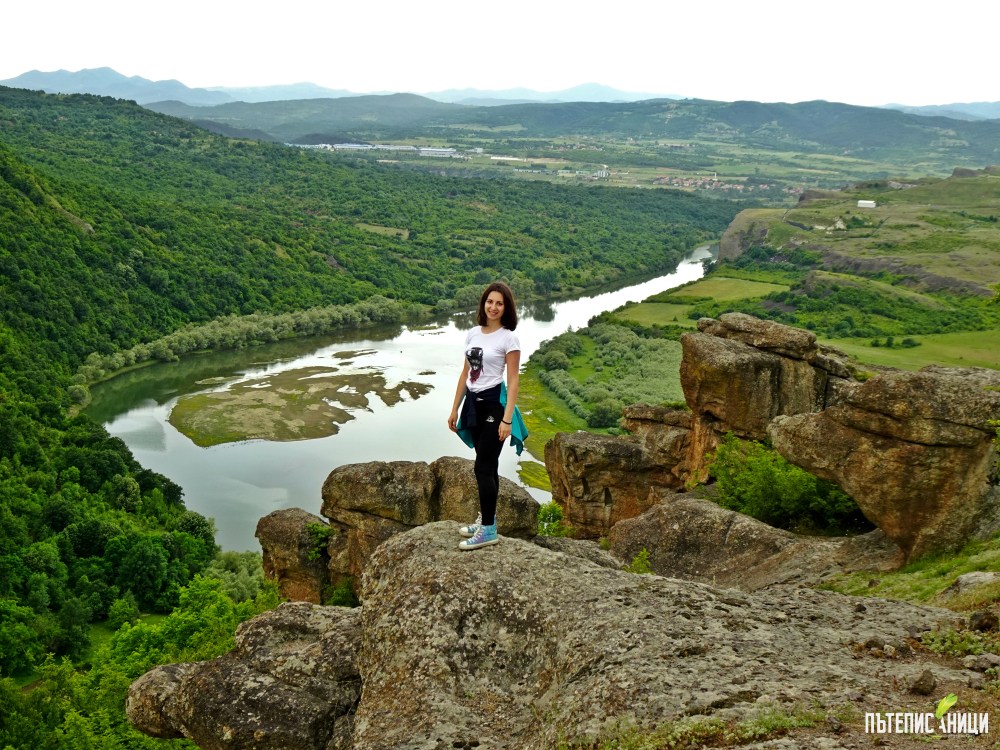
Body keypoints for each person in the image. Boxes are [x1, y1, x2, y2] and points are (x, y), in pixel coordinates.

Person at [448, 282, 523, 550]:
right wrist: (454, 408)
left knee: (482, 467)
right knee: (489, 466)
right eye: (490, 302)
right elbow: (465, 373)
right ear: (483, 304)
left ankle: (489, 530)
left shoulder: (508, 338)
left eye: (499, 303)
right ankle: (486, 519)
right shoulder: (473, 334)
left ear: (506, 308)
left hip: (494, 407)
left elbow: (513, 381)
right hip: (473, 405)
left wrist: (507, 419)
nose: (493, 307)